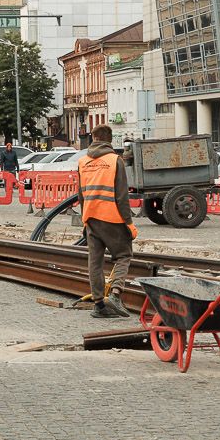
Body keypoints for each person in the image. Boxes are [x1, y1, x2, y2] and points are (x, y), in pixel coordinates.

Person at [77, 125, 135, 319]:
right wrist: (128, 223)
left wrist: (85, 219)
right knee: (124, 255)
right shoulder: (114, 160)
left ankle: (99, 305)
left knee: (95, 262)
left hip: (91, 217)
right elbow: (122, 195)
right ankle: (116, 294)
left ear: (93, 138)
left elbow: (81, 195)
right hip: (112, 217)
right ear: (110, 140)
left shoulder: (83, 162)